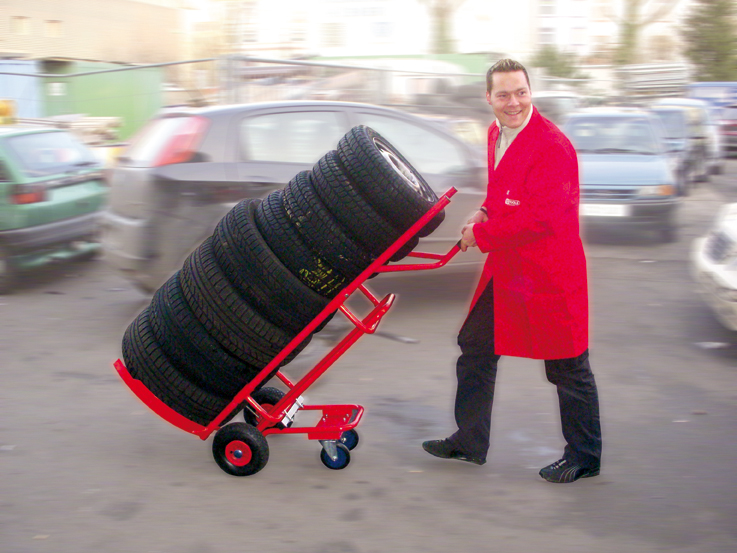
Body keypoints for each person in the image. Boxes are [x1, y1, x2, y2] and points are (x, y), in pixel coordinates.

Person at [422, 59, 602, 484]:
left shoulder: (552, 146)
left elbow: (541, 219)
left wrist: (481, 235)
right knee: (475, 345)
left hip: (549, 271)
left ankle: (585, 456)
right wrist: (485, 210)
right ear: (488, 98)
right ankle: (470, 441)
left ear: (530, 92)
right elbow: (503, 191)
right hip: (509, 267)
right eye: (503, 94)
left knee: (567, 365)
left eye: (520, 92)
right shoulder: (494, 133)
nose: (513, 102)